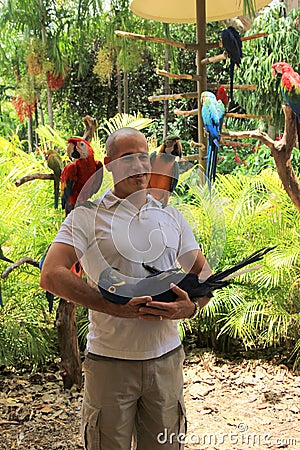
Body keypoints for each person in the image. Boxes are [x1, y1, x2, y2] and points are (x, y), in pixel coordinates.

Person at [40, 127, 212, 450]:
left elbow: (205, 275)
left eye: (143, 157)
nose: (138, 165)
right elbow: (50, 273)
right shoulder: (86, 217)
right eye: (127, 158)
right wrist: (111, 305)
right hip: (110, 364)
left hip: (166, 363)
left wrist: (190, 307)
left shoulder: (171, 216)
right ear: (108, 164)